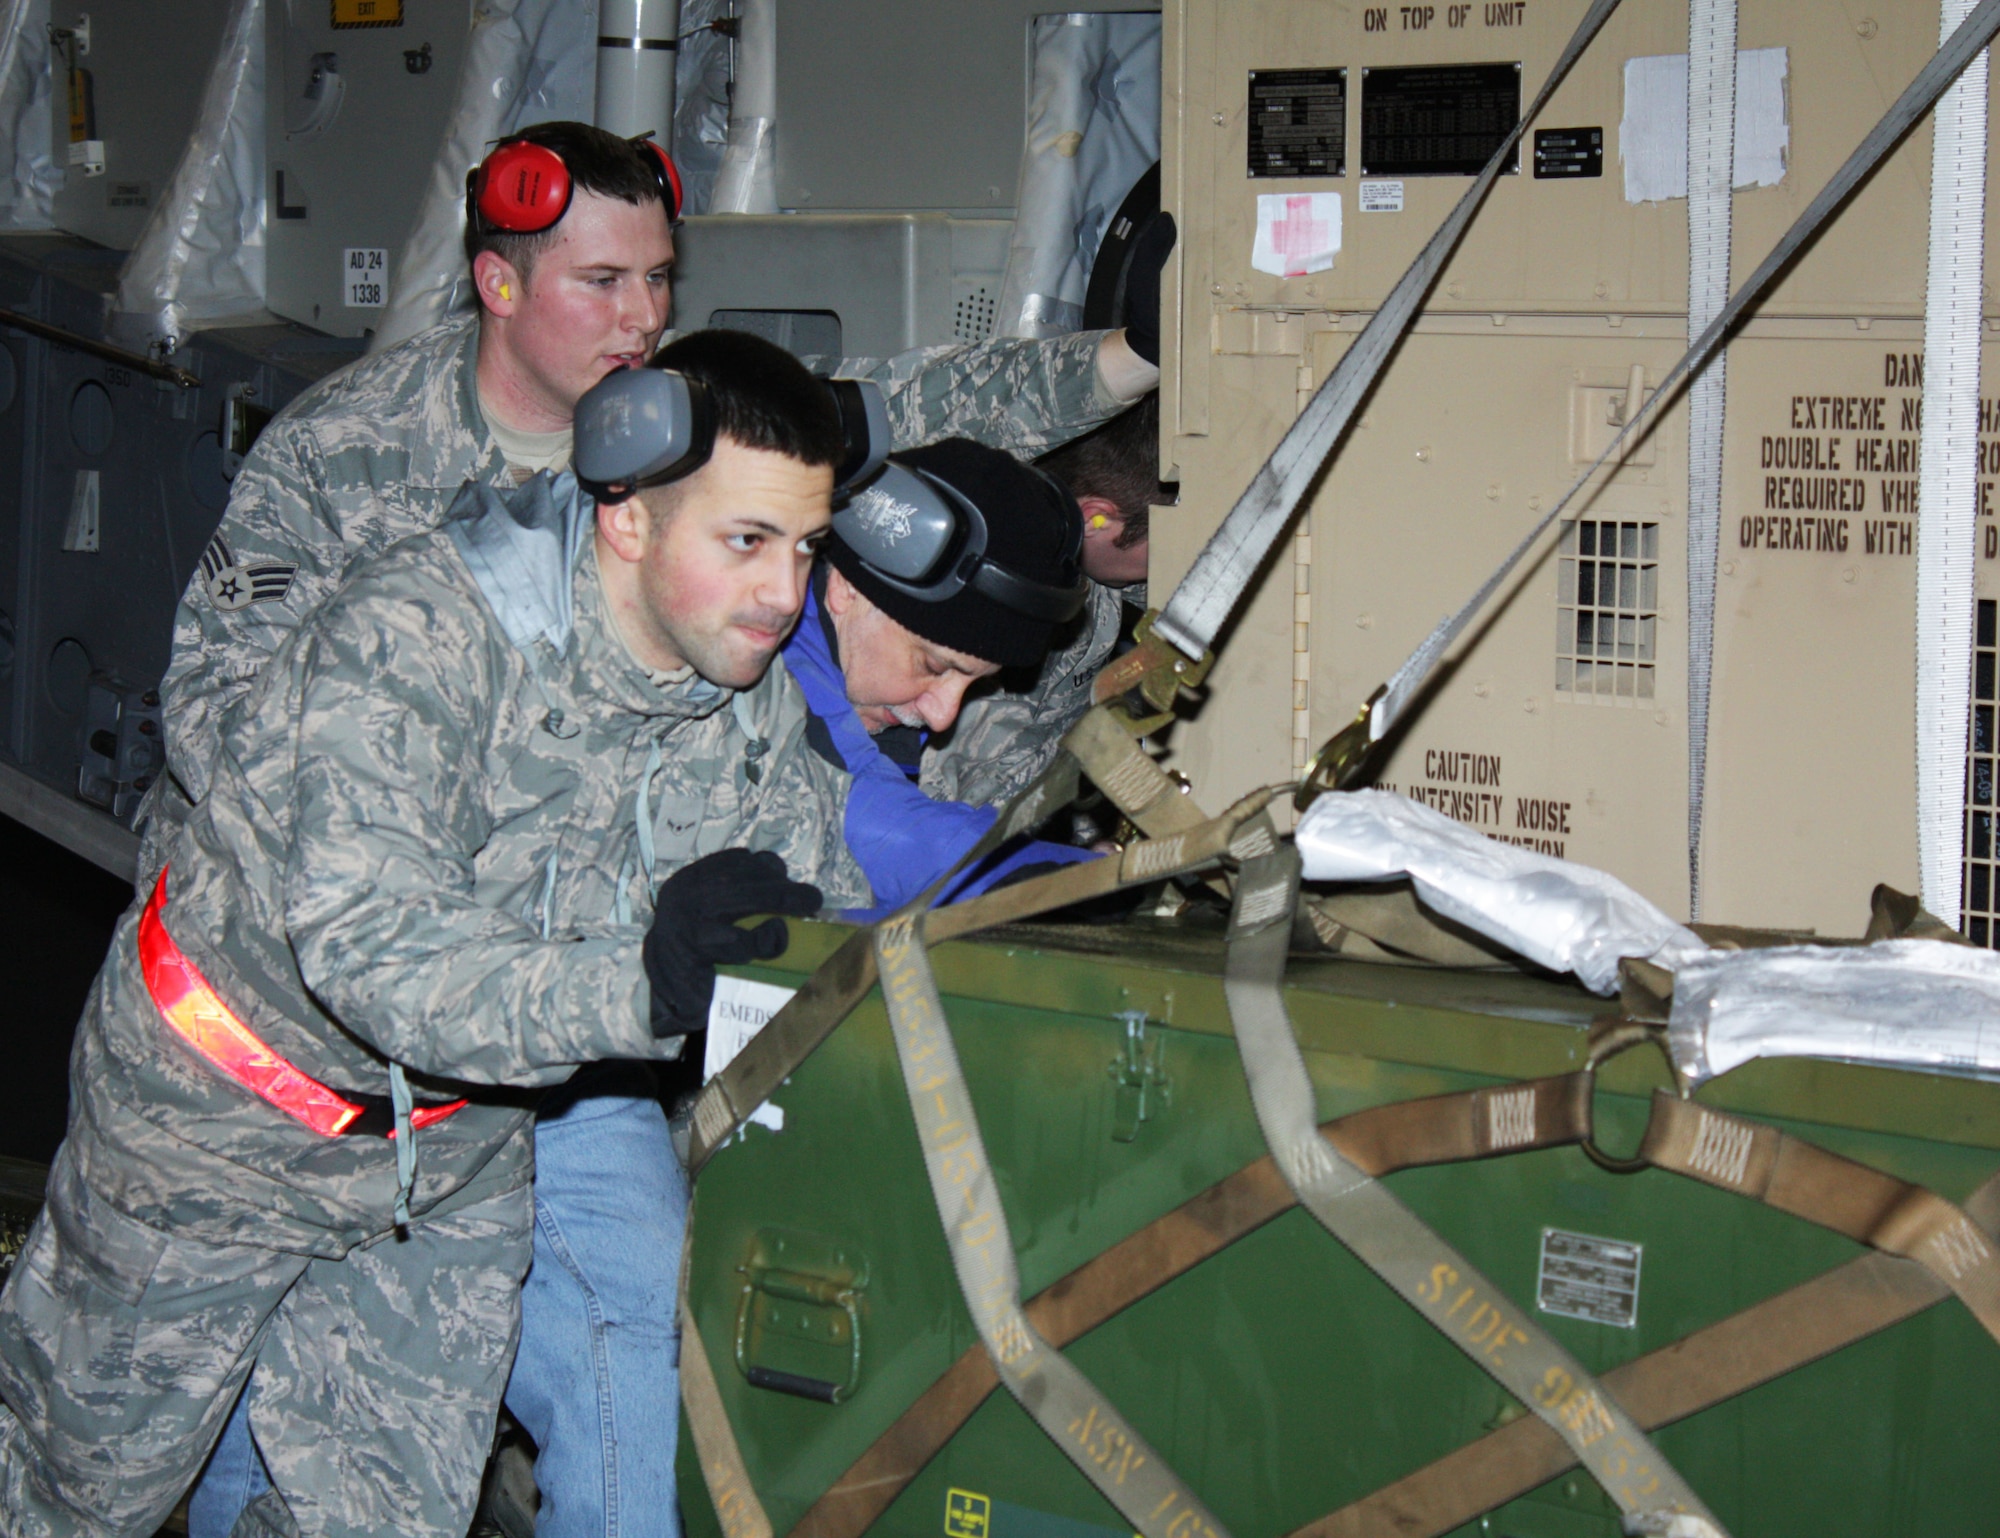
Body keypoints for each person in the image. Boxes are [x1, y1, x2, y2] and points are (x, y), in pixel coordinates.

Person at [164, 121, 1160, 1538]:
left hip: (555, 1009)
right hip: (325, 1002)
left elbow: (924, 401)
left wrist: (1130, 355)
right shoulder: (354, 453)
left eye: (659, 281)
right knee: (215, 1383)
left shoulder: (715, 467)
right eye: (604, 281)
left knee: (596, 1330)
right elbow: (222, 729)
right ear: (498, 286)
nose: (643, 318)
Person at [0, 332, 867, 1538]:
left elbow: (815, 903)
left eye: (807, 547)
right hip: (213, 1131)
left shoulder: (742, 704)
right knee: (72, 1497)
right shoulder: (416, 636)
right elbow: (374, 951)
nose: (786, 592)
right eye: (748, 541)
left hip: (441, 1161)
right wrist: (641, 983)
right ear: (626, 518)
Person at [784, 437, 1103, 912]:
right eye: (933, 666)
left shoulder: (856, 669)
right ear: (847, 590)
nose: (941, 716)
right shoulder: (773, 664)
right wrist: (1097, 880)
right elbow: (879, 830)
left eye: (974, 682)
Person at [922, 392, 1161, 811]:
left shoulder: (1093, 564)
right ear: (1095, 518)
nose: (1158, 568)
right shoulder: (992, 607)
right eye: (1158, 549)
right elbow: (970, 794)